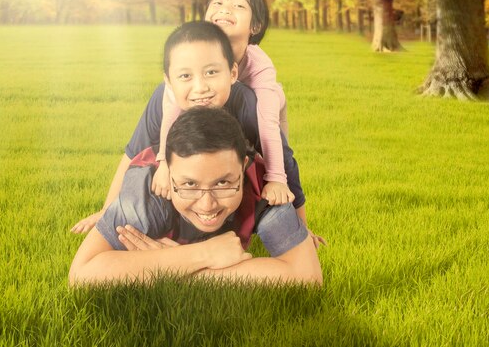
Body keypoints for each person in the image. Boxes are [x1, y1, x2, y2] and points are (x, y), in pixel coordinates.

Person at [71, 21, 322, 248]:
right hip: (176, 182)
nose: (200, 87)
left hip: (228, 183)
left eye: (211, 72)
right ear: (169, 81)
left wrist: (301, 225)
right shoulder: (163, 100)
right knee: (147, 188)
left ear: (232, 73)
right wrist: (107, 211)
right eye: (185, 76)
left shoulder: (247, 103)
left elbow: (283, 158)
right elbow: (132, 152)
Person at [69, 107, 322, 285]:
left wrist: (179, 269)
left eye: (223, 182)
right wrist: (205, 254)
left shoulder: (264, 188)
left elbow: (307, 277)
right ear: (168, 176)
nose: (207, 204)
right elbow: (82, 274)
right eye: (189, 184)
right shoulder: (148, 195)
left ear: (244, 167)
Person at [153, 0, 291, 206]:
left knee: (280, 154)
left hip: (268, 109)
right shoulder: (189, 57)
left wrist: (276, 178)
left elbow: (267, 124)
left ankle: (298, 224)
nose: (225, 9)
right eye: (217, 3)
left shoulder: (260, 67)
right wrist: (164, 163)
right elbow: (172, 110)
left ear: (255, 26)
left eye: (238, 6)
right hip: (221, 103)